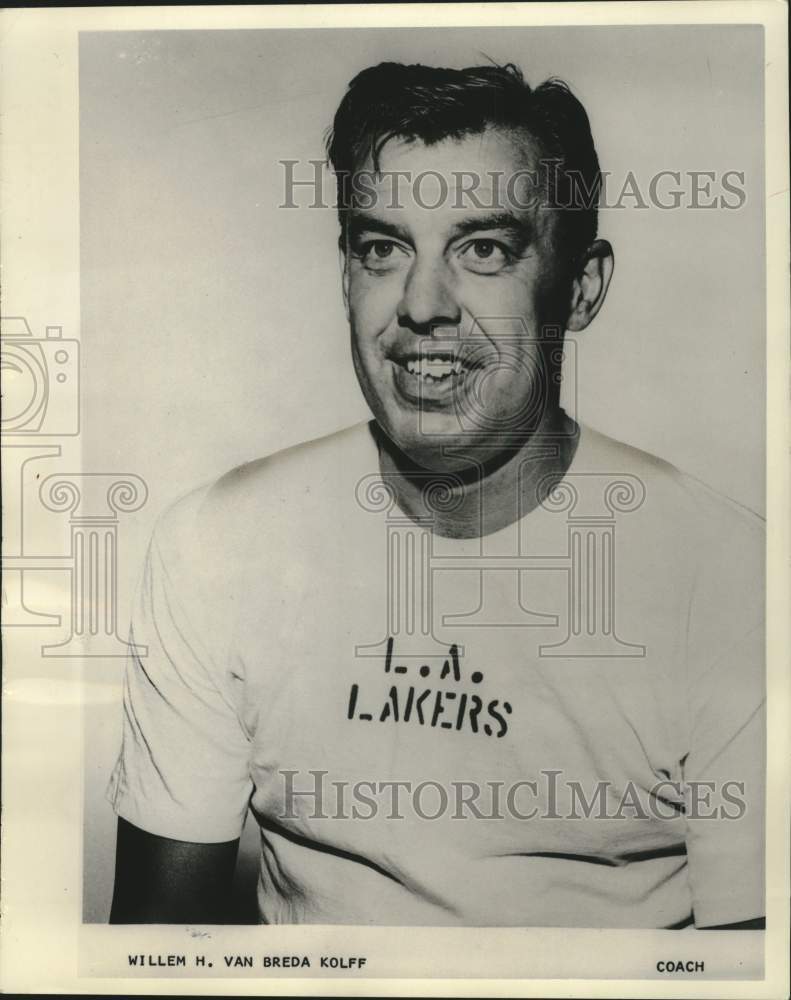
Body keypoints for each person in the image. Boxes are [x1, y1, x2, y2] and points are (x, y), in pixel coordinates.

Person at [107, 62, 765, 928]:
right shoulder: (216, 543)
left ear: (581, 287)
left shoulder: (731, 579)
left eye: (482, 249)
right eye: (382, 247)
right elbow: (156, 954)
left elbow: (753, 970)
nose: (421, 305)